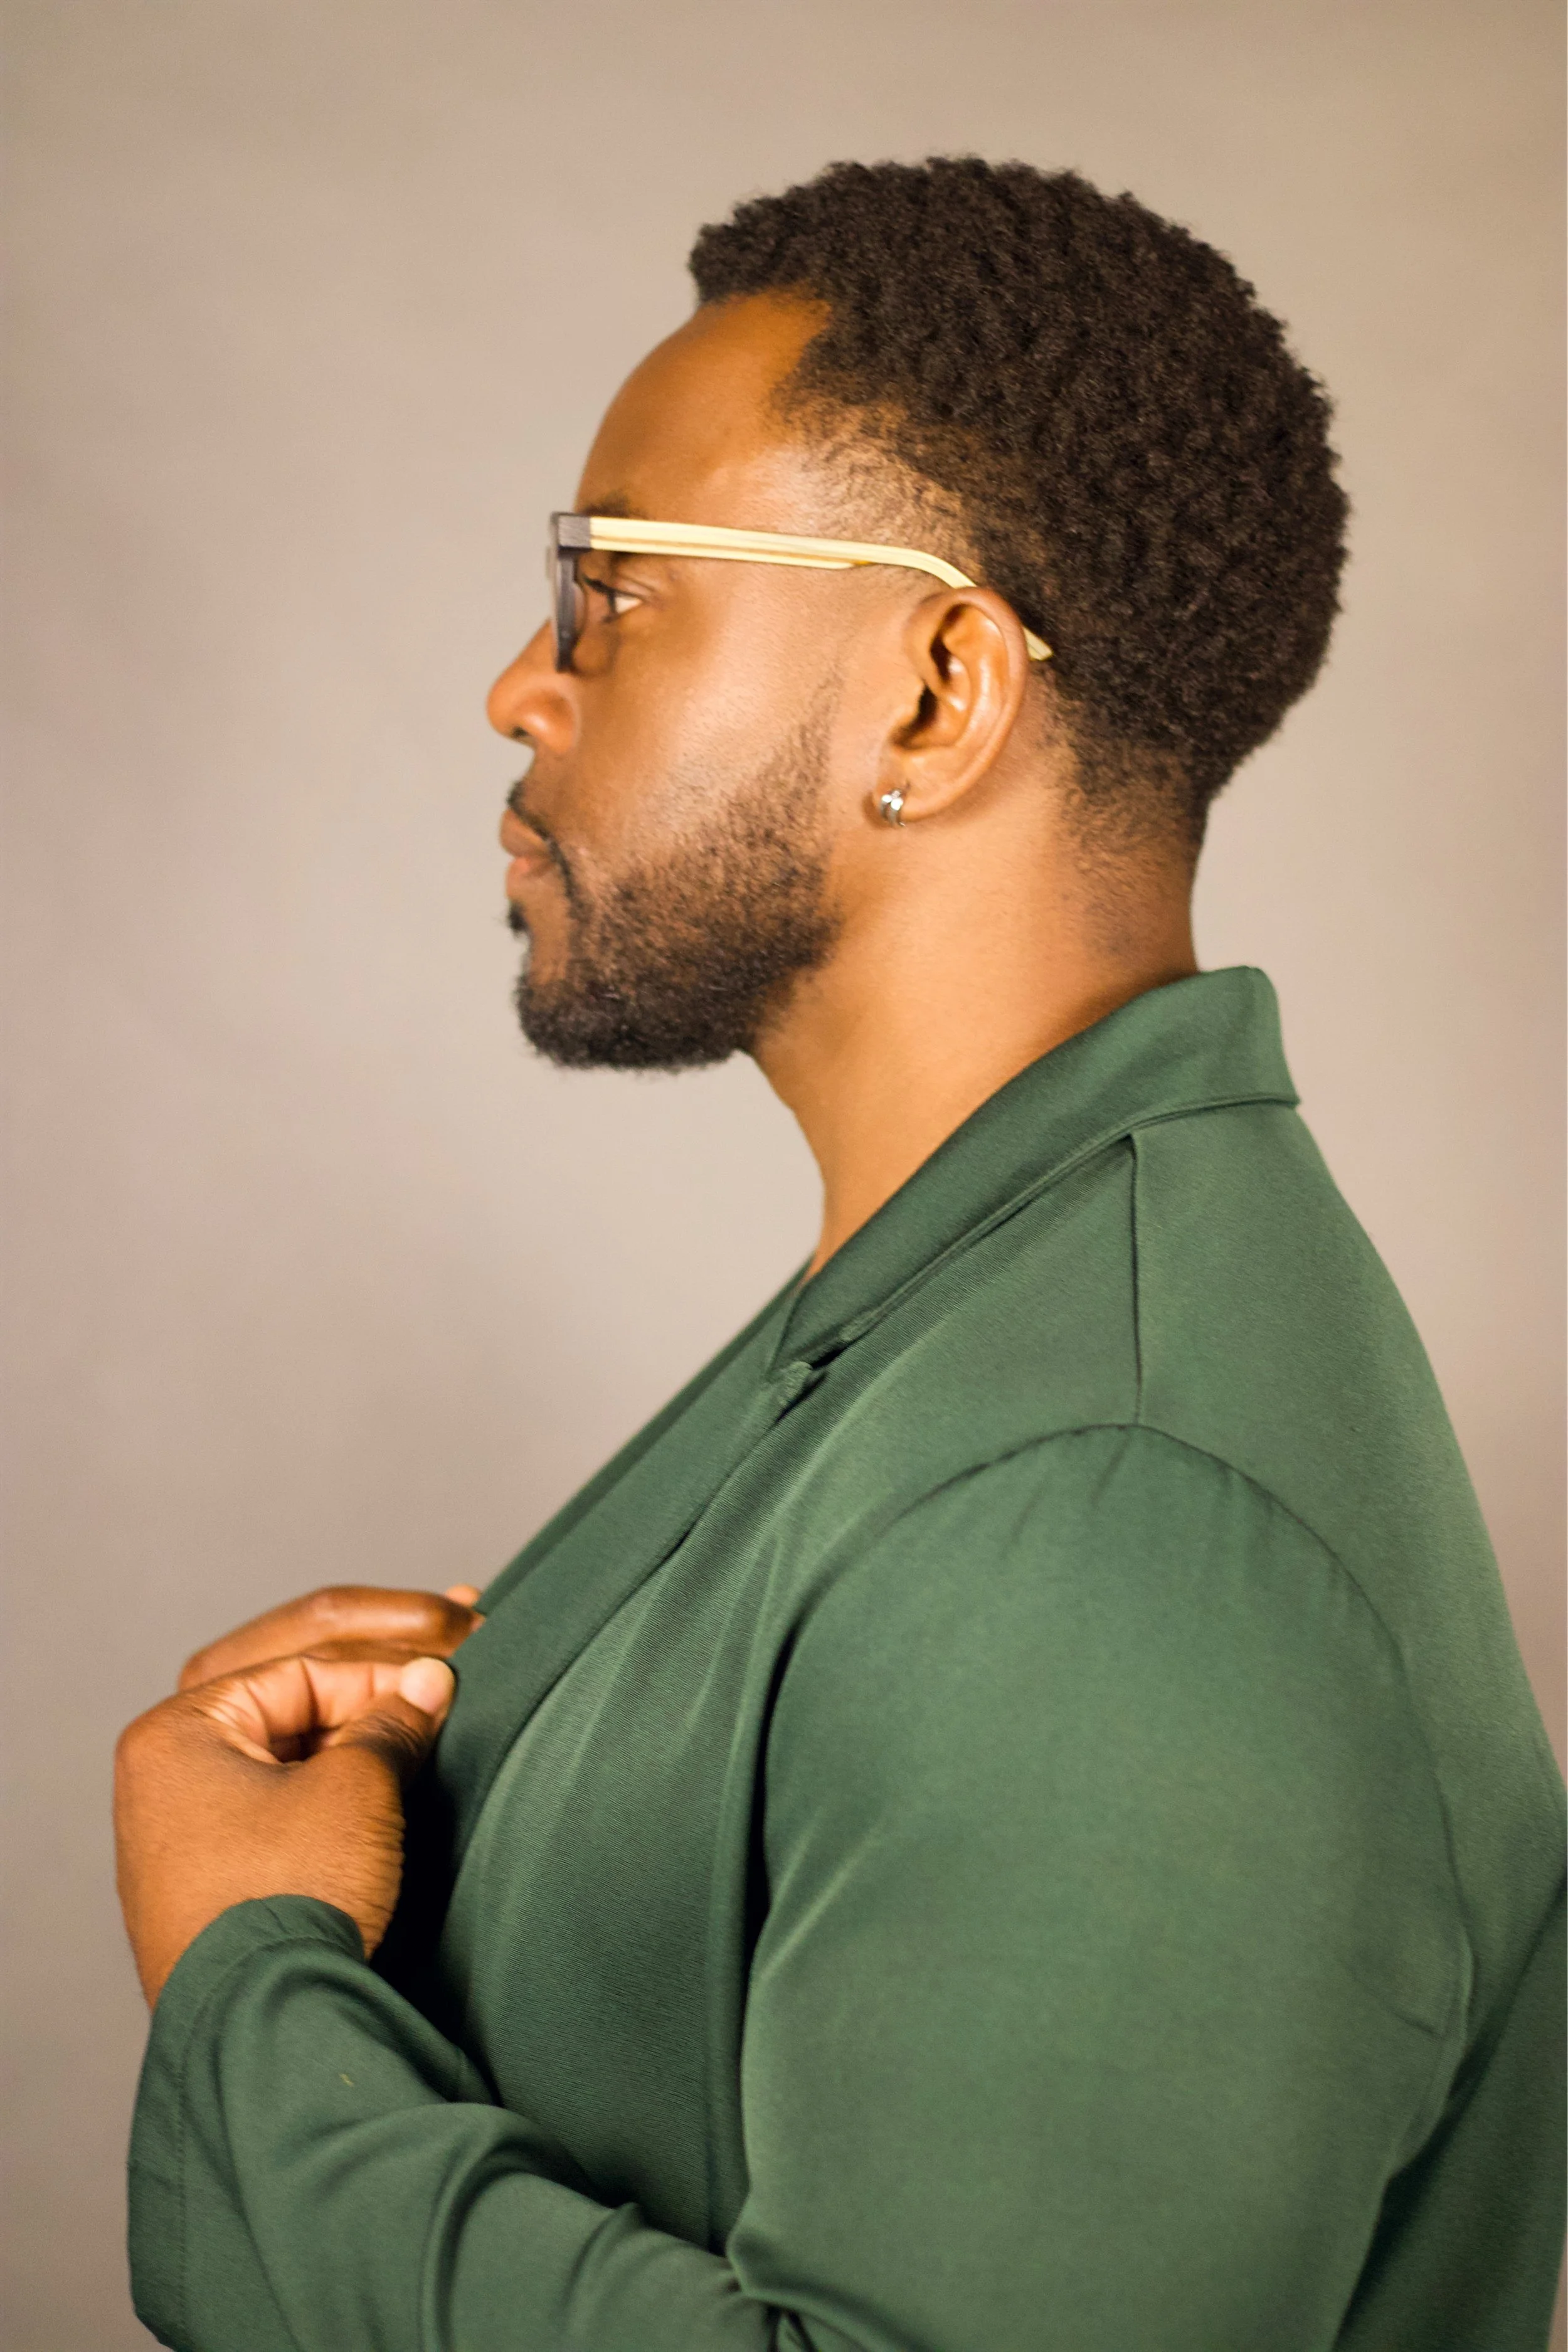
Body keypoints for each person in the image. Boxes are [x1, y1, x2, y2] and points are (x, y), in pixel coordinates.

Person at [114, 158, 1565, 2352]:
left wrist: (256, 1990)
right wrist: (501, 1774)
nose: (522, 682)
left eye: (608, 588)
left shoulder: (1114, 1513)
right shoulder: (964, 1313)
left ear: (933, 692)